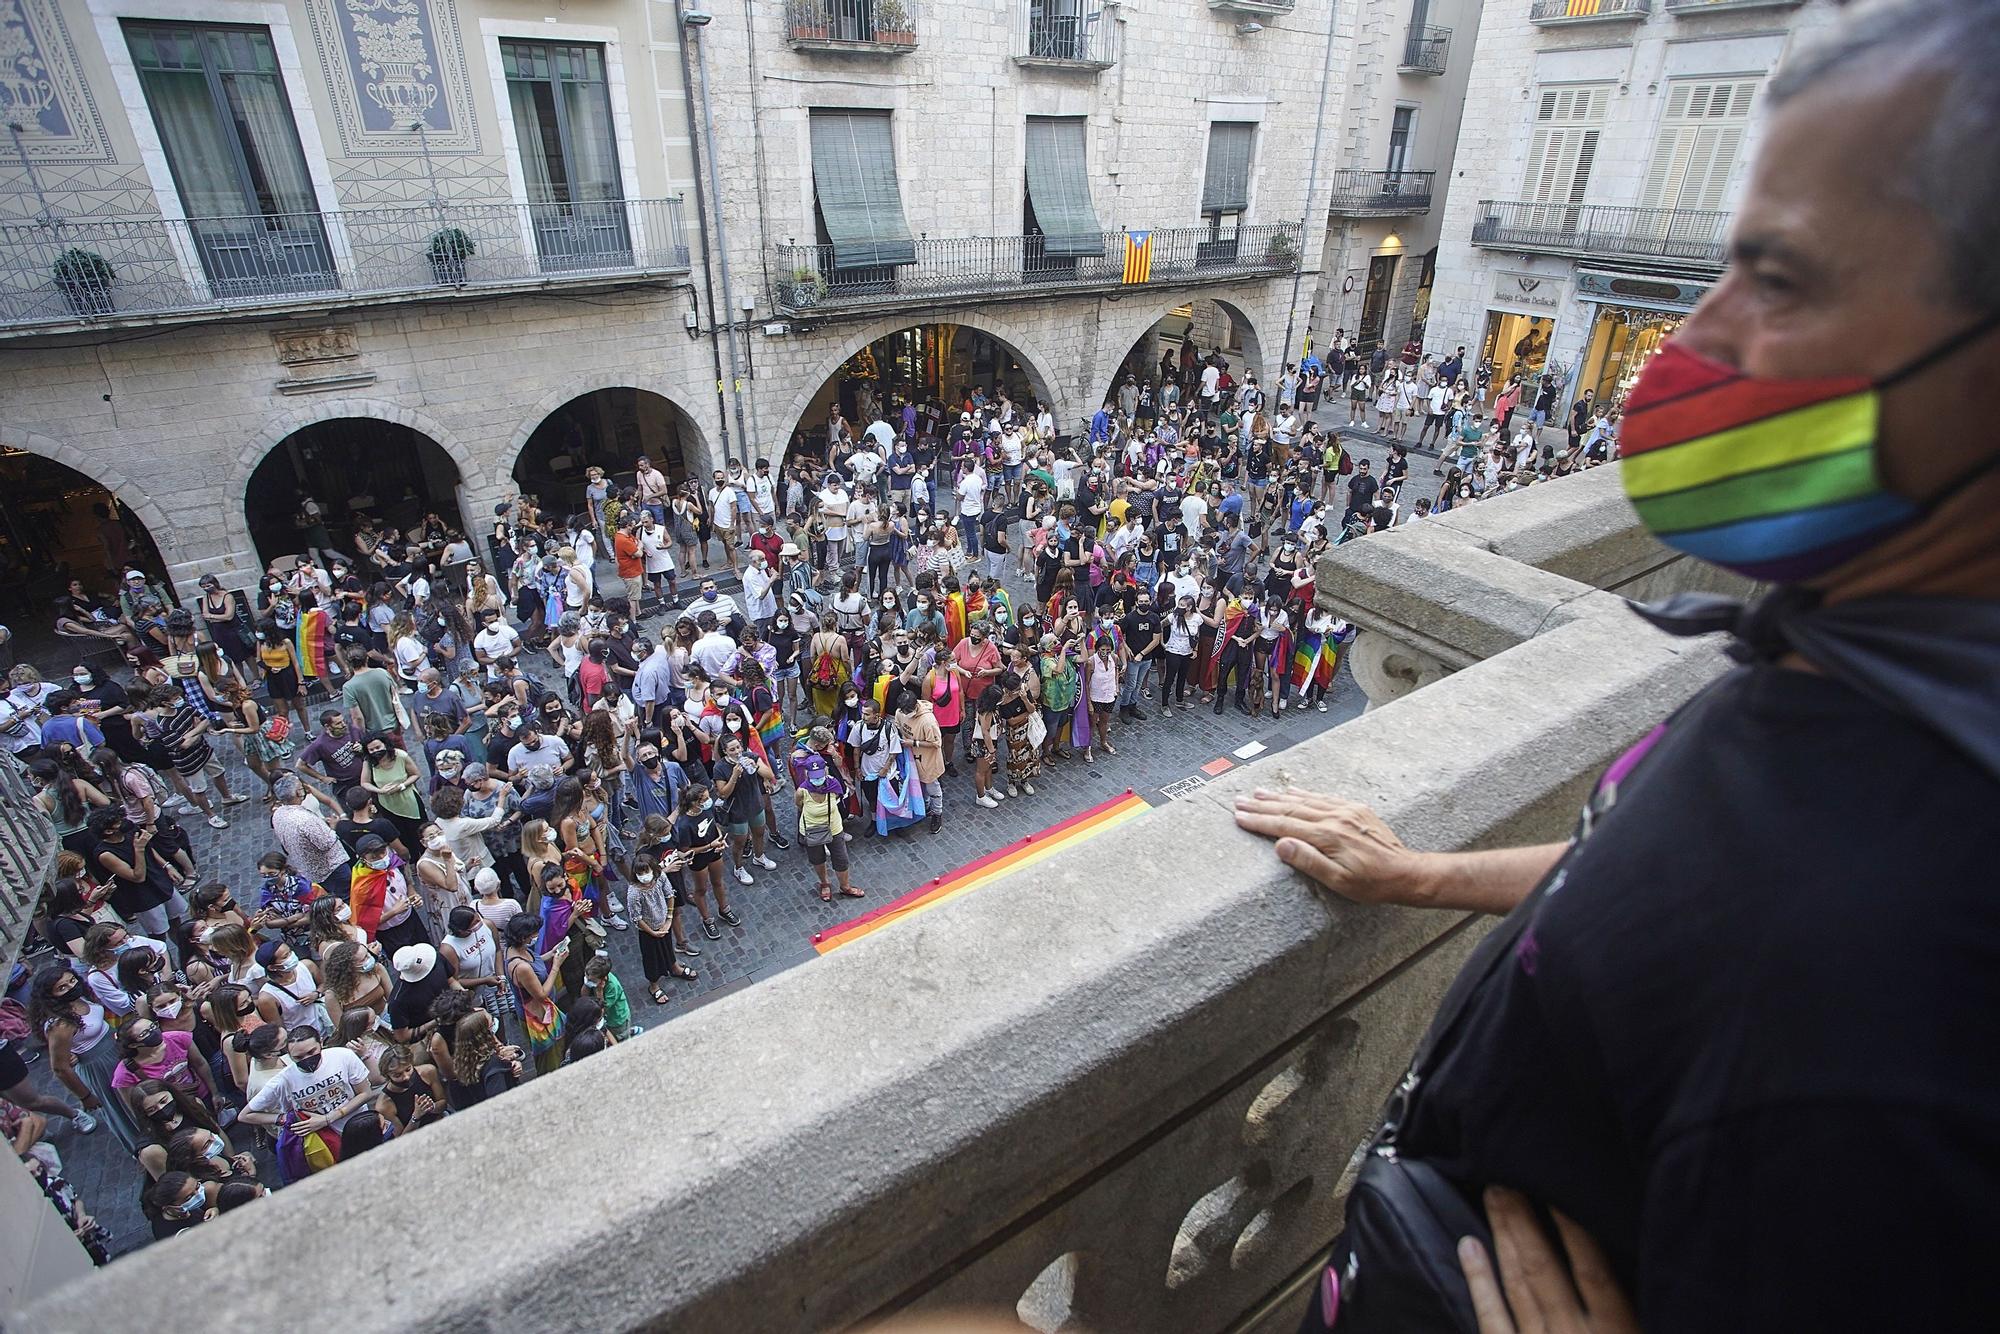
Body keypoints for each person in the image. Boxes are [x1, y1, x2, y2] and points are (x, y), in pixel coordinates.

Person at [1244, 8, 2000, 1329]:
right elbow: (1660, 887)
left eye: (1777, 276)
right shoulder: (1860, 664)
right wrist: (1419, 873)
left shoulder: (1890, 986)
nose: (1692, 332)